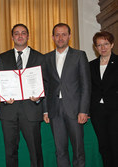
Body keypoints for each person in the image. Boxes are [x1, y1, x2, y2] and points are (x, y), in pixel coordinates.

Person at [0, 23, 46, 167]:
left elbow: (45, 82)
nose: (20, 36)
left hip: (31, 110)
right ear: (12, 37)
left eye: (23, 33)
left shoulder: (39, 57)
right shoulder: (3, 57)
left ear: (28, 36)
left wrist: (39, 98)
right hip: (9, 111)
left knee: (35, 152)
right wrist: (5, 97)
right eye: (17, 33)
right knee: (10, 152)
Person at [44, 23, 91, 167]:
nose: (60, 38)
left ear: (69, 36)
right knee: (60, 150)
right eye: (57, 34)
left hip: (75, 110)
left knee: (78, 150)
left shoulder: (79, 55)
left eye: (64, 34)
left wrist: (83, 110)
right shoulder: (46, 58)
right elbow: (46, 86)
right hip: (54, 110)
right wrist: (45, 110)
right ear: (52, 37)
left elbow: (86, 85)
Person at [89, 31, 118, 167]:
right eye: (99, 45)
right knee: (103, 146)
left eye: (106, 44)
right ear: (95, 47)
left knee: (115, 145)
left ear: (112, 44)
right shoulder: (91, 65)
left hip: (115, 110)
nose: (103, 48)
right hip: (97, 111)